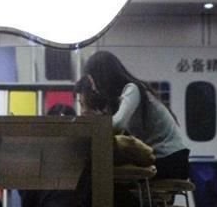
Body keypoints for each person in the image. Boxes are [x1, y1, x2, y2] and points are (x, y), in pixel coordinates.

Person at [80, 51, 189, 180]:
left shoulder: (132, 89)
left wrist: (93, 127)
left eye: (92, 80)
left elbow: (117, 124)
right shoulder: (119, 99)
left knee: (106, 174)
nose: (93, 87)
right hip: (165, 158)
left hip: (170, 160)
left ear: (101, 77)